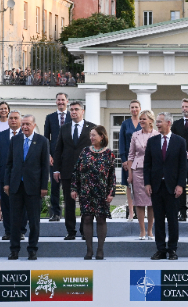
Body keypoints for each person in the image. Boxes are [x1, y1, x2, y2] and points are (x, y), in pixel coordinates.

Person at [4, 115, 49, 260]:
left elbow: (44, 166)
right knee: (15, 220)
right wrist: (7, 183)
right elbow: (9, 164)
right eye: (23, 124)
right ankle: (14, 250)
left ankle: (32, 249)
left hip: (34, 187)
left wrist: (44, 186)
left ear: (34, 125)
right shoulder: (15, 140)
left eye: (27, 124)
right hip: (16, 186)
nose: (24, 127)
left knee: (34, 220)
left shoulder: (42, 141)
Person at [144, 112, 186, 260]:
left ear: (168, 123)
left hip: (173, 187)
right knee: (159, 219)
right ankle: (160, 249)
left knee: (173, 220)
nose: (157, 124)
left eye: (160, 122)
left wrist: (181, 184)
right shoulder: (152, 141)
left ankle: (172, 249)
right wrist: (147, 183)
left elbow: (183, 166)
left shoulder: (179, 141)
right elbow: (147, 164)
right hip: (156, 186)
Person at [70, 126, 116, 260]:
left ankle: (100, 250)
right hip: (86, 191)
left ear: (102, 137)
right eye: (90, 135)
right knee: (87, 218)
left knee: (101, 219)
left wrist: (111, 193)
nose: (91, 138)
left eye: (94, 135)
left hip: (102, 192)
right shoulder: (85, 151)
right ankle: (89, 250)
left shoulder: (109, 153)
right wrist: (74, 188)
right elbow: (76, 171)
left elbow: (112, 176)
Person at [53, 101, 96, 240]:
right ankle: (71, 231)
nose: (73, 112)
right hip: (67, 171)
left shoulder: (92, 128)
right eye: (71, 109)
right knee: (69, 202)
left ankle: (85, 230)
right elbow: (58, 149)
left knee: (85, 202)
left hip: (86, 171)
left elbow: (96, 149)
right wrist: (56, 170)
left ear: (82, 111)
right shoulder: (64, 128)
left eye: (76, 109)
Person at [0, 110, 27, 241]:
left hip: (22, 177)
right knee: (6, 204)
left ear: (20, 120)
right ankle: (9, 231)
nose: (13, 120)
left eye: (16, 118)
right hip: (5, 175)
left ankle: (21, 231)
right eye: (11, 118)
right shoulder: (0, 136)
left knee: (22, 204)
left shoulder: (27, 135)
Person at [128, 110, 158, 239]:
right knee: (139, 202)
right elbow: (131, 155)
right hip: (138, 170)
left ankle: (150, 230)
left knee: (152, 201)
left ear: (151, 120)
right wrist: (129, 174)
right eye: (140, 119)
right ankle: (142, 231)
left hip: (153, 170)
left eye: (144, 119)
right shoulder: (135, 135)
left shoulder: (157, 135)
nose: (141, 121)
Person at [43, 92, 70, 222]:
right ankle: (55, 213)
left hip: (68, 156)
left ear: (67, 101)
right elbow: (46, 138)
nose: (61, 102)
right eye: (58, 100)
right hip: (54, 157)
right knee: (54, 186)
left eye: (63, 100)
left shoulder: (72, 116)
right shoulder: (50, 117)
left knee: (69, 185)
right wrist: (48, 154)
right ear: (56, 102)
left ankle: (69, 213)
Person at [119, 100, 142, 222]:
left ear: (140, 108)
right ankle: (131, 212)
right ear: (129, 109)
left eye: (136, 107)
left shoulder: (143, 122)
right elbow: (121, 142)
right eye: (132, 107)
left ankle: (141, 211)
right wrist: (123, 159)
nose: (134, 109)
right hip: (128, 159)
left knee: (140, 185)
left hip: (141, 159)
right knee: (129, 185)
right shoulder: (125, 124)